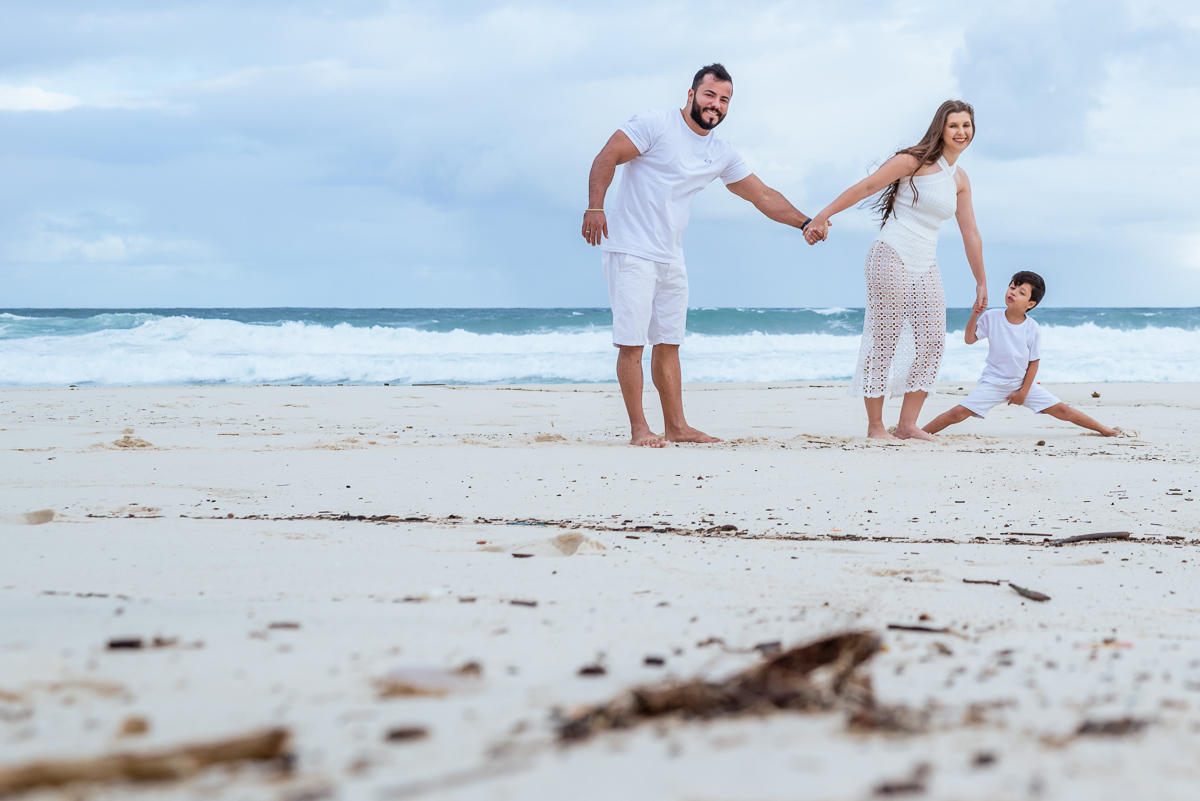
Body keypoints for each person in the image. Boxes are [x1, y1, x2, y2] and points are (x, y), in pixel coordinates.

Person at [583, 63, 817, 447]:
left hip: (670, 255)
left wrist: (805, 222)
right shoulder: (655, 125)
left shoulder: (720, 152)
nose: (716, 105)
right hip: (631, 250)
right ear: (691, 95)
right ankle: (640, 429)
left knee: (669, 341)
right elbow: (607, 156)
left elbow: (762, 195)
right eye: (710, 95)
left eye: (725, 100)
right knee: (632, 343)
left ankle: (677, 426)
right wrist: (595, 207)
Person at [804, 100, 986, 441]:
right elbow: (867, 186)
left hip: (925, 261)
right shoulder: (912, 162)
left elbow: (971, 232)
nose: (961, 132)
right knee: (885, 338)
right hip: (892, 253)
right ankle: (875, 427)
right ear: (940, 129)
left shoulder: (960, 179)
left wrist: (981, 281)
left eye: (966, 125)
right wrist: (823, 215)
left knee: (932, 340)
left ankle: (906, 425)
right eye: (954, 125)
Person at [922, 272, 1123, 437]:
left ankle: (1106, 431)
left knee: (1064, 411)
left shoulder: (1032, 328)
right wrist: (975, 313)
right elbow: (969, 339)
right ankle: (920, 432)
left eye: (1021, 292)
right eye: (1012, 287)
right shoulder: (992, 316)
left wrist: (1024, 393)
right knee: (958, 413)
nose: (1013, 293)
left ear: (1030, 304)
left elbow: (1033, 363)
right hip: (993, 382)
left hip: (1022, 384)